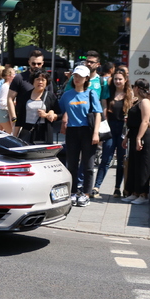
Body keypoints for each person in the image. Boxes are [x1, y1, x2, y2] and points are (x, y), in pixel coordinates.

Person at [59, 65, 102, 207]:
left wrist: (95, 133)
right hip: (72, 131)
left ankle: (86, 193)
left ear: (86, 78)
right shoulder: (67, 95)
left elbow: (97, 114)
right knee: (72, 164)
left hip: (87, 131)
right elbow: (59, 110)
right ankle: (72, 192)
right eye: (75, 76)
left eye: (80, 76)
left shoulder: (91, 94)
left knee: (88, 165)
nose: (77, 79)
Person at [94, 69, 132, 198]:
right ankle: (96, 186)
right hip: (110, 129)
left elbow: (131, 112)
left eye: (120, 79)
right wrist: (102, 127)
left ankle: (117, 189)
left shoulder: (129, 94)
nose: (117, 81)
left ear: (125, 80)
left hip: (122, 129)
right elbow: (104, 109)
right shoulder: (109, 92)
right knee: (106, 158)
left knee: (121, 161)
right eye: (115, 79)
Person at [121, 78, 150, 204]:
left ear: (137, 88)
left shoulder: (146, 102)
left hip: (143, 136)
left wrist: (138, 138)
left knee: (143, 166)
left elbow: (145, 121)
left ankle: (143, 194)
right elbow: (133, 122)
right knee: (134, 165)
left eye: (133, 87)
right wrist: (127, 137)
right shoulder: (137, 102)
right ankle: (134, 191)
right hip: (135, 134)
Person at [8, 49, 50, 134]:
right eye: (33, 63)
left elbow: (51, 99)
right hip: (22, 121)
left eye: (39, 64)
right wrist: (13, 117)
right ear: (29, 62)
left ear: (43, 63)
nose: (36, 66)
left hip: (42, 122)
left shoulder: (46, 79)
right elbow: (10, 98)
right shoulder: (20, 78)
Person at [13, 70, 59, 144]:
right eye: (37, 79)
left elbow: (59, 114)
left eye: (43, 80)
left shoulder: (50, 96)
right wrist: (14, 137)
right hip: (27, 132)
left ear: (47, 82)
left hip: (44, 133)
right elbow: (20, 118)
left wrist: (48, 115)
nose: (40, 82)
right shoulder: (25, 96)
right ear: (33, 81)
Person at [0, 67, 15, 133]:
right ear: (8, 76)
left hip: (1, 113)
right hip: (3, 113)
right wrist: (13, 103)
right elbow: (2, 101)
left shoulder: (7, 86)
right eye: (13, 74)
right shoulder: (6, 86)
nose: (14, 76)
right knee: (12, 133)